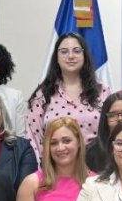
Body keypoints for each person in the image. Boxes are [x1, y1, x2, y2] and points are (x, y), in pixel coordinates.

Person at [26, 32, 111, 160]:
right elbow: (34, 138)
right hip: (55, 166)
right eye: (64, 51)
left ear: (84, 56)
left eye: (76, 51)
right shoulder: (43, 94)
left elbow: (112, 132)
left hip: (96, 165)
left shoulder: (103, 91)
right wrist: (42, 169)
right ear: (56, 57)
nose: (70, 56)